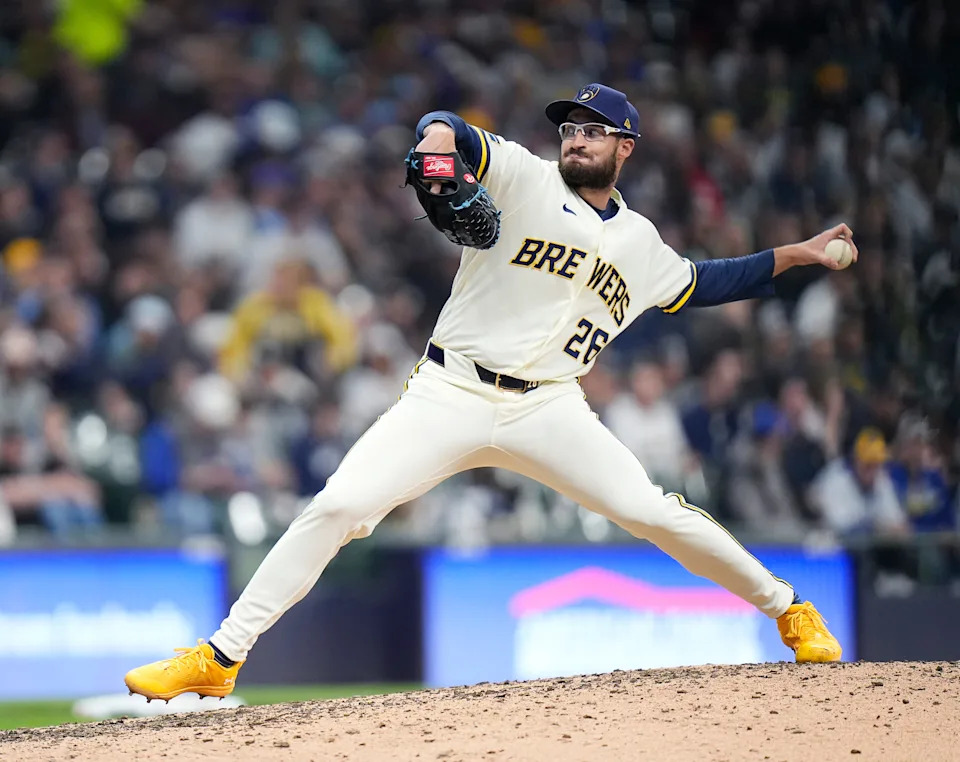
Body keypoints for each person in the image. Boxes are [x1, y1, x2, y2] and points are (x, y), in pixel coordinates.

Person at [125, 83, 852, 701]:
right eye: (570, 128)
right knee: (340, 506)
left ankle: (790, 611)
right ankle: (219, 658)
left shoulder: (641, 244)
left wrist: (801, 254)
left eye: (594, 130)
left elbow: (711, 281)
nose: (576, 138)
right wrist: (439, 149)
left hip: (550, 406)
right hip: (452, 388)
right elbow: (444, 127)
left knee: (650, 510)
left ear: (625, 146)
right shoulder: (525, 175)